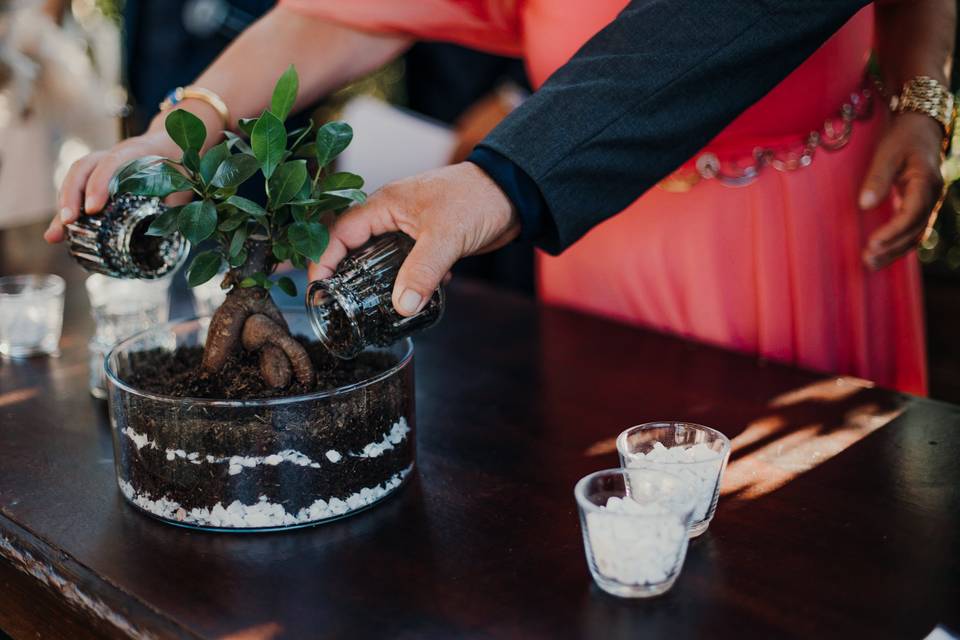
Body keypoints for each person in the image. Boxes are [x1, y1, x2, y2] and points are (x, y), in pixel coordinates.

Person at [45, 0, 953, 394]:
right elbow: (348, 12)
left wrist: (920, 99)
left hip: (811, 224)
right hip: (596, 234)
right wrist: (187, 123)